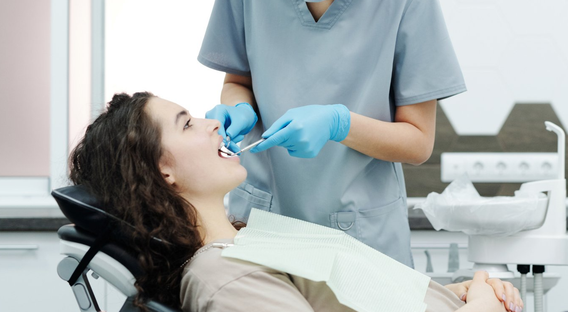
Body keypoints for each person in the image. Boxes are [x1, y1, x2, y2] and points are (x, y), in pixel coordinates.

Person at [69, 93, 568, 312]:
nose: (216, 118)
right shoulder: (222, 276)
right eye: (188, 122)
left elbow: (357, 310)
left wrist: (464, 292)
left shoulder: (245, 237)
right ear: (161, 170)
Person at [198, 0, 467, 268]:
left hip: (361, 238)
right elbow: (237, 82)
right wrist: (240, 108)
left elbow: (418, 142)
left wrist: (340, 124)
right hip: (259, 224)